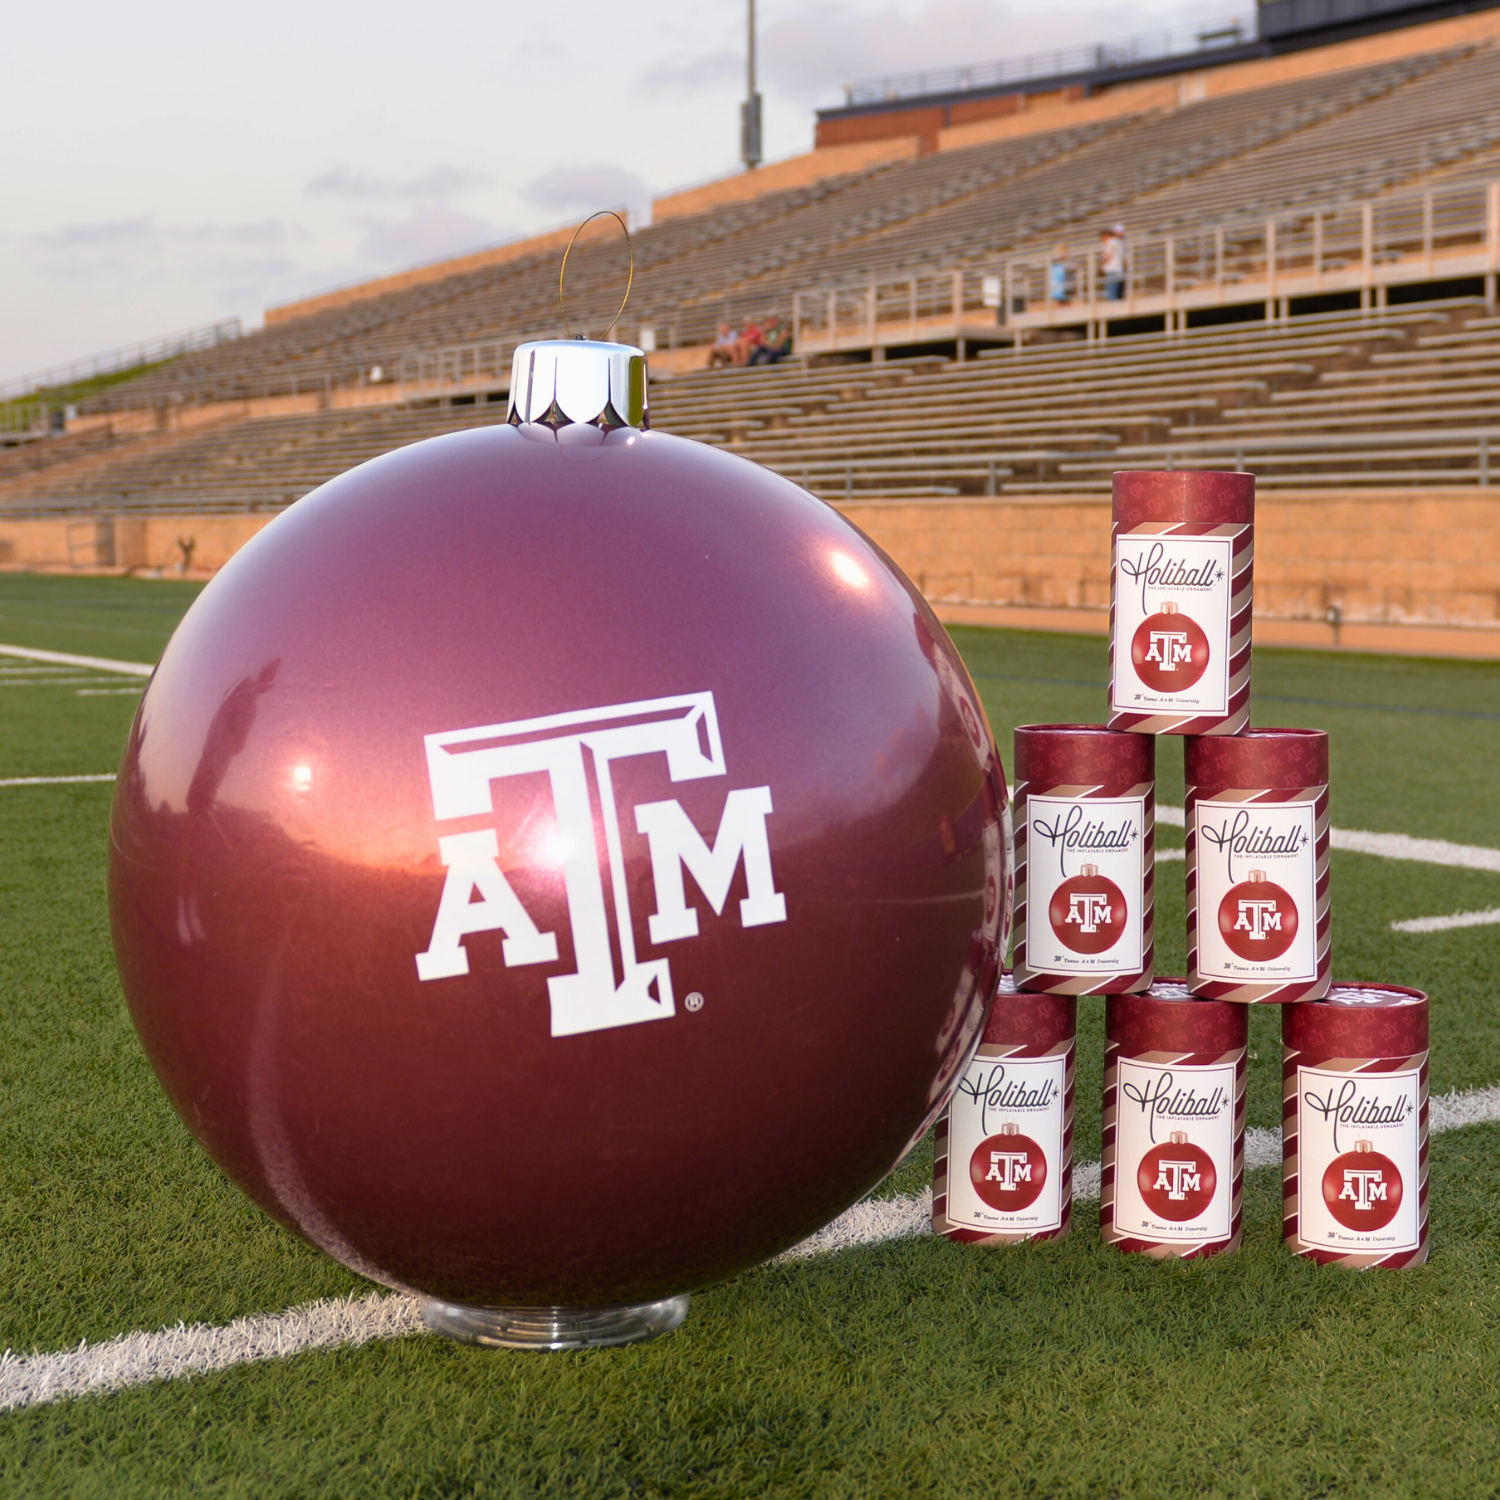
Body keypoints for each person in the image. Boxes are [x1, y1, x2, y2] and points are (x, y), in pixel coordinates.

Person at [1101, 224, 1128, 301]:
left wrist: (1101, 266)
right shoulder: (1120, 243)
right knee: (1119, 296)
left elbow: (1107, 256)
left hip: (1112, 271)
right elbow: (1124, 260)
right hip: (1120, 270)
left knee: (1112, 296)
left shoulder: (1111, 243)